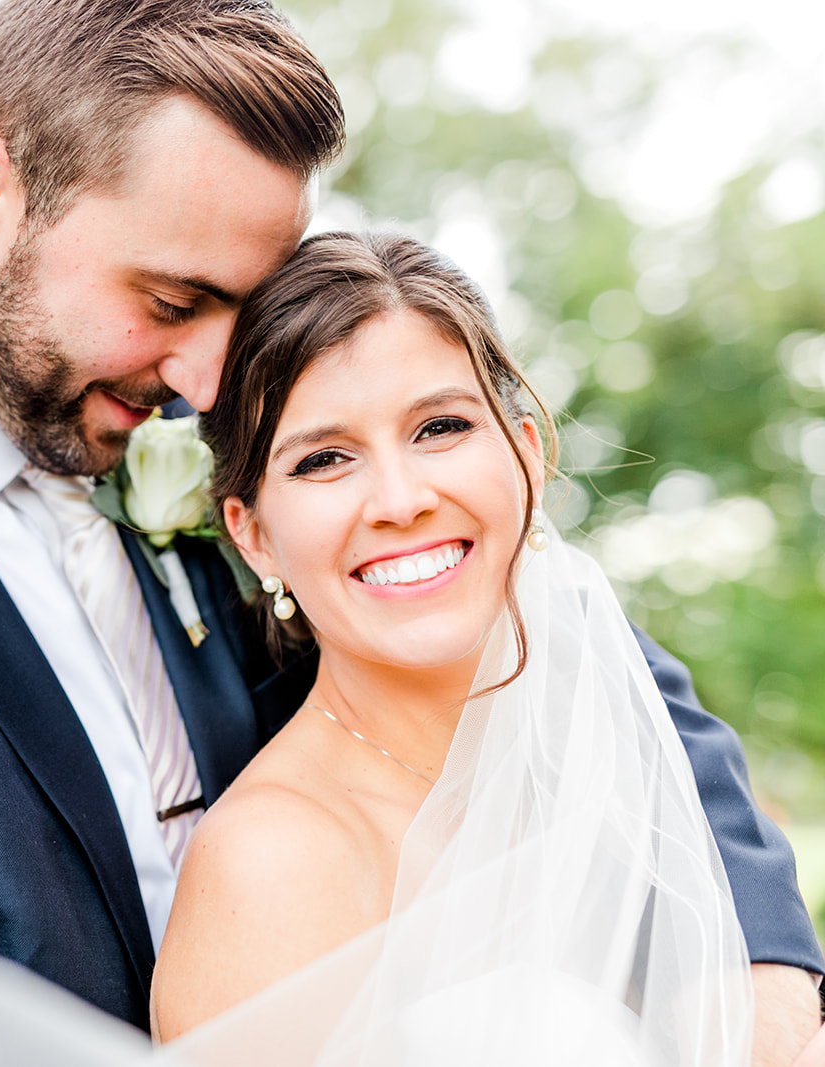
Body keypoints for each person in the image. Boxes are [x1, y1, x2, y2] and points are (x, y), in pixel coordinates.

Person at [0, 0, 821, 1044]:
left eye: (242, 308)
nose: (214, 380)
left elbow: (562, 653)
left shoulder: (214, 450)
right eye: (171, 297)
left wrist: (760, 971)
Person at [151, 231, 822, 1066]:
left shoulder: (605, 738)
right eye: (325, 459)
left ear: (528, 458)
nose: (400, 500)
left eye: (440, 426)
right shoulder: (271, 866)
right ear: (252, 536)